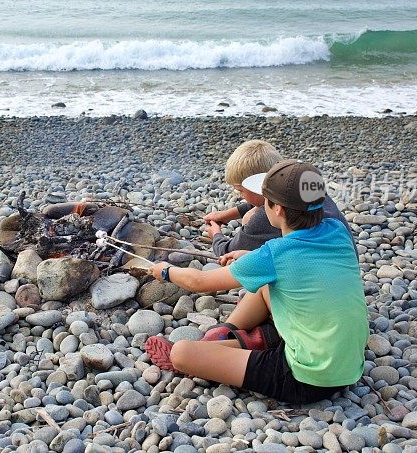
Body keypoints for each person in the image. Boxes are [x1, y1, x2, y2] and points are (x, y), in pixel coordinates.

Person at [145, 160, 368, 403]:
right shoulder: (337, 230)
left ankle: (224, 352)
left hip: (306, 378)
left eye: (265, 202)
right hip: (350, 364)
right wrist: (250, 258)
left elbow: (199, 281)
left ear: (278, 209)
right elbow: (302, 267)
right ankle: (230, 333)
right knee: (265, 283)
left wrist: (166, 271)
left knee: (181, 353)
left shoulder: (275, 253)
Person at [202, 141, 354, 344]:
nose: (240, 195)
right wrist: (227, 215)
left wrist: (216, 233)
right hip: (339, 286)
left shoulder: (270, 230)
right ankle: (235, 331)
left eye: (240, 191)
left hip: (309, 321)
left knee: (266, 276)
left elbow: (226, 252)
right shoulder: (307, 194)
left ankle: (266, 334)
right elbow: (255, 201)